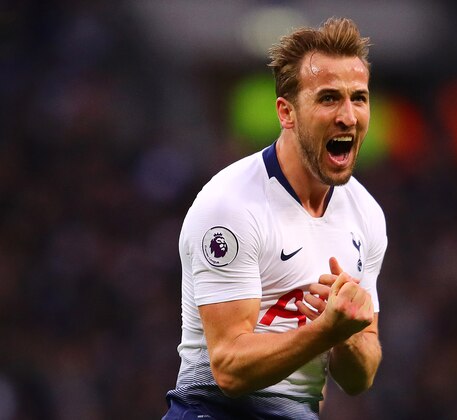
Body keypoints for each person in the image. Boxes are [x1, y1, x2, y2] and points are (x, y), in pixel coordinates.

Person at [163, 17, 387, 419]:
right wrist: (325, 331)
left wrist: (347, 335)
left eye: (359, 97)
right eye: (329, 98)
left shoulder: (366, 215)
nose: (349, 116)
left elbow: (360, 378)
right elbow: (229, 368)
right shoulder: (231, 205)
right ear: (287, 112)